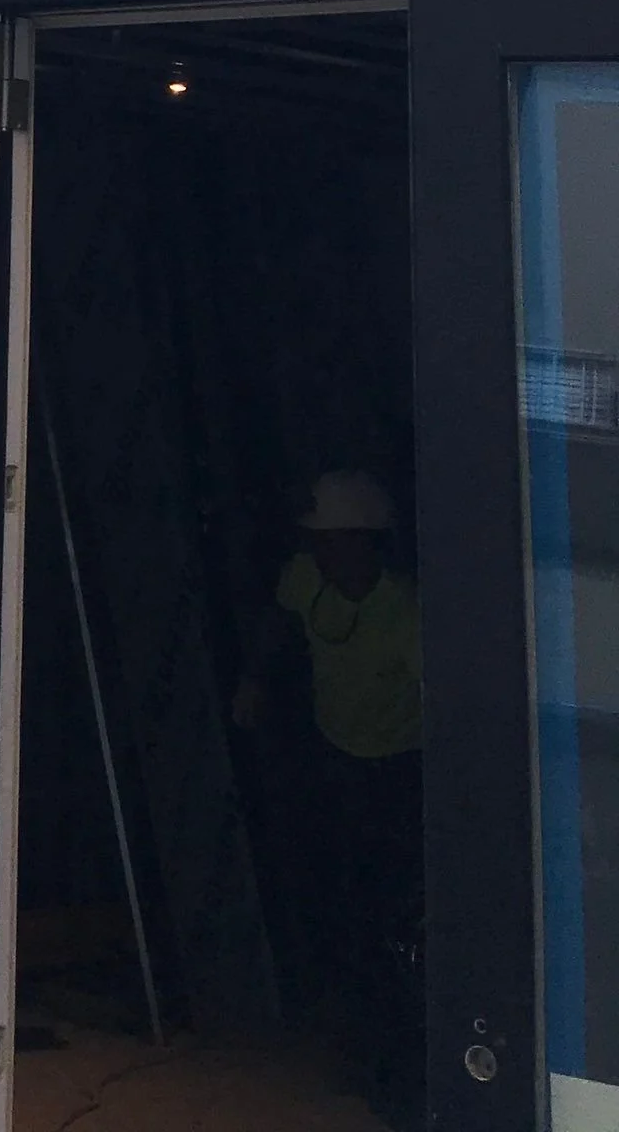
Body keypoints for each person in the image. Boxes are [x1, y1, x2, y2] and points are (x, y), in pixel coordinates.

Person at [233, 470, 423, 1119]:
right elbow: (277, 618)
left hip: (397, 770)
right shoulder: (304, 577)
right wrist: (255, 681)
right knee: (340, 902)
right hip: (333, 756)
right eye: (320, 541)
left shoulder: (405, 611)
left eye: (337, 540)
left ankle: (398, 1061)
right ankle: (355, 1043)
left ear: (369, 541)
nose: (325, 552)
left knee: (392, 911)